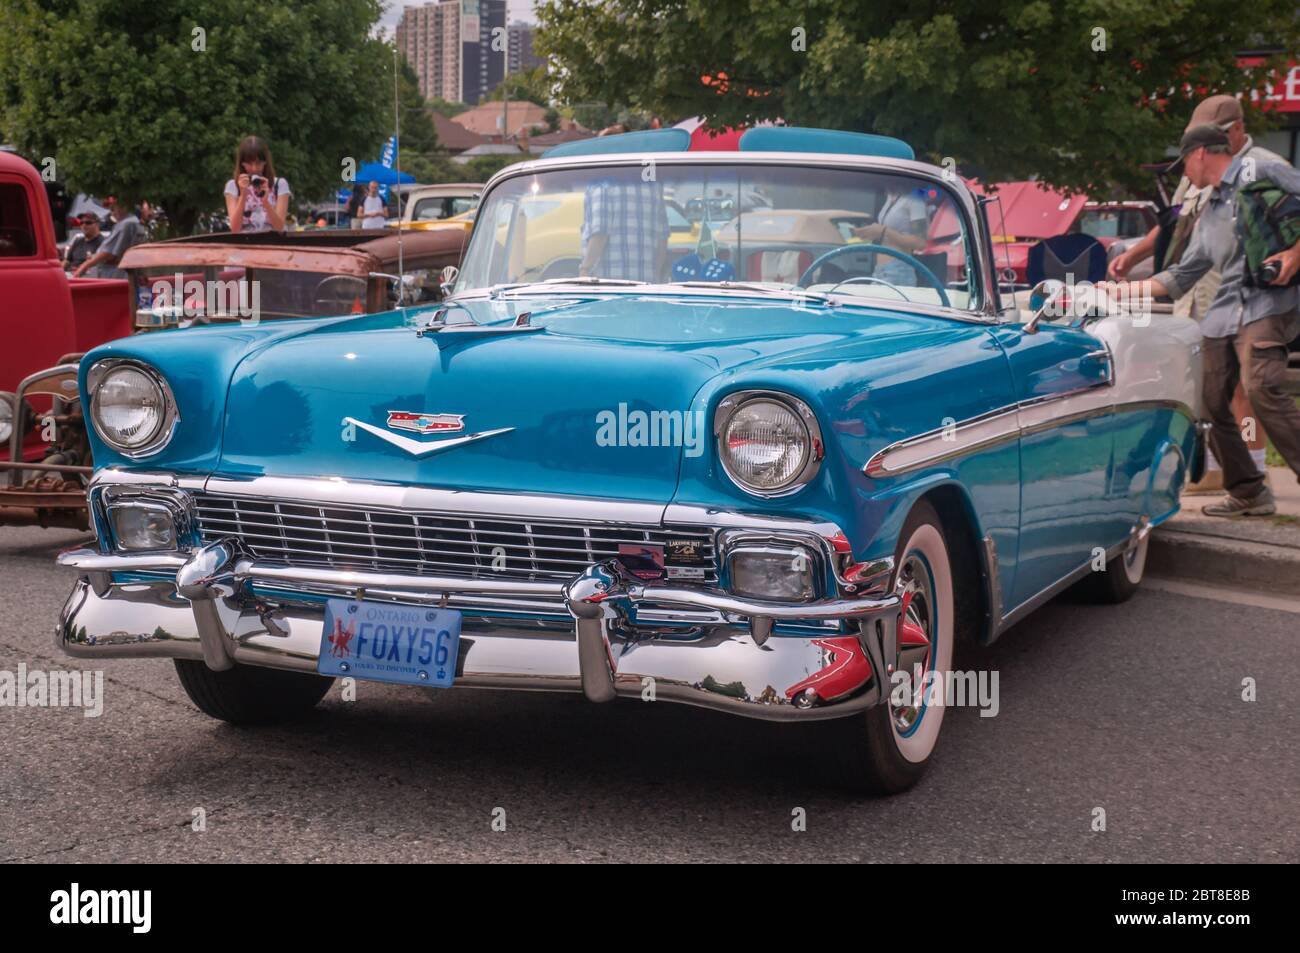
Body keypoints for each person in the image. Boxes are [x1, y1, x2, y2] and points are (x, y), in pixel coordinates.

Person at [1103, 124, 1300, 517]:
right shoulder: (1208, 209)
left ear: (1199, 154)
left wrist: (1296, 252)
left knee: (1261, 385)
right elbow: (1182, 275)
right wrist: (1116, 292)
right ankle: (1248, 491)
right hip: (1223, 313)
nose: (1183, 175)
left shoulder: (1259, 170)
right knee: (1207, 402)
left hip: (1267, 304)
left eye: (1184, 165)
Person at [579, 175, 670, 281]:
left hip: (608, 286)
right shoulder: (654, 186)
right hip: (647, 286)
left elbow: (600, 233)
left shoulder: (601, 183)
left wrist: (585, 269)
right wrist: (655, 274)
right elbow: (662, 239)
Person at [851, 186, 930, 286]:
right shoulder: (890, 196)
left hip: (899, 269)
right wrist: (870, 232)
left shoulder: (914, 200)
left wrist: (884, 231)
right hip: (880, 269)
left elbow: (920, 242)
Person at [224, 135, 290, 232]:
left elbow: (279, 228)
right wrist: (243, 195)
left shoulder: (279, 184)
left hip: (271, 243)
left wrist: (266, 202)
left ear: (265, 162)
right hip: (245, 243)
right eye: (249, 164)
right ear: (242, 163)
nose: (254, 168)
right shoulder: (233, 186)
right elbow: (235, 229)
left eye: (258, 163)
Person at [73, 199, 145, 279]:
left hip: (117, 277)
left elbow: (108, 253)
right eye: (81, 222)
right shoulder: (134, 222)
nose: (112, 213)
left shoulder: (126, 224)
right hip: (126, 276)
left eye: (113, 209)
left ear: (124, 207)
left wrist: (84, 266)